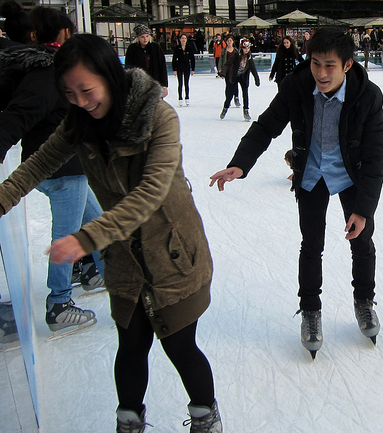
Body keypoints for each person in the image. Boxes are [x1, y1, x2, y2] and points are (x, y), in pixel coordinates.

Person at [0, 34, 222, 432]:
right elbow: (39, 163)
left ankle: (206, 414)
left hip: (171, 250)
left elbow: (150, 193)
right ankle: (129, 421)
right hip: (122, 255)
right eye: (69, 93)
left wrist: (85, 239)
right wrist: (3, 197)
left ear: (109, 76)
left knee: (179, 346)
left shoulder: (158, 117)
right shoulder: (79, 121)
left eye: (86, 90)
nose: (80, 101)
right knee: (132, 344)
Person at [209, 27, 383, 359]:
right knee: (312, 244)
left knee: (362, 241)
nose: (321, 73)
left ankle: (364, 302)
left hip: (352, 174)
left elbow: (376, 156)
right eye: (316, 63)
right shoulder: (298, 85)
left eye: (329, 65)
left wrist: (363, 210)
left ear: (347, 65)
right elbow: (267, 125)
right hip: (313, 173)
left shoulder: (368, 95)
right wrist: (240, 164)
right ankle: (310, 311)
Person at [0, 4, 105, 336]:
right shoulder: (49, 73)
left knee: (98, 220)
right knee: (68, 237)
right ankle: (59, 303)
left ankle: (90, 271)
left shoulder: (42, 67)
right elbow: (17, 116)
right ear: (65, 34)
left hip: (66, 168)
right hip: (62, 170)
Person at [219, 38, 260, 121]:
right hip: (234, 76)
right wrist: (223, 73)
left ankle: (246, 111)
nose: (246, 50)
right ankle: (225, 108)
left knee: (245, 93)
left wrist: (257, 79)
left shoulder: (249, 57)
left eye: (248, 48)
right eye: (245, 48)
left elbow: (253, 68)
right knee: (230, 95)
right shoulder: (236, 55)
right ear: (242, 48)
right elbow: (227, 64)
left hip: (243, 77)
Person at [125, 24, 168, 98]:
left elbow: (162, 66)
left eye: (147, 36)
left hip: (155, 83)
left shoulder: (156, 48)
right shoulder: (132, 49)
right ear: (138, 37)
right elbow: (128, 68)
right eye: (142, 37)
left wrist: (164, 85)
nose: (145, 39)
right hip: (138, 85)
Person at [172, 33, 195, 107]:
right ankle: (180, 98)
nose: (183, 40)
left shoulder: (189, 48)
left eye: (185, 38)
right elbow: (174, 59)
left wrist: (193, 69)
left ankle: (187, 97)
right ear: (180, 39)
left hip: (187, 67)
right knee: (180, 83)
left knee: (186, 83)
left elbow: (192, 59)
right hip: (179, 67)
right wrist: (174, 69)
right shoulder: (177, 48)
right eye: (182, 38)